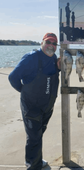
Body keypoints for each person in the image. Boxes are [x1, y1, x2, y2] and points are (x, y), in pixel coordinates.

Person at [8, 33, 60, 170]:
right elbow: (13, 77)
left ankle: (36, 159)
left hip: (47, 106)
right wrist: (24, 92)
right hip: (32, 106)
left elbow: (52, 75)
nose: (51, 46)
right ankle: (33, 165)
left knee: (38, 134)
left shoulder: (53, 58)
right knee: (33, 137)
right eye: (49, 42)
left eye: (54, 44)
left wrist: (59, 67)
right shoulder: (31, 58)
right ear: (42, 42)